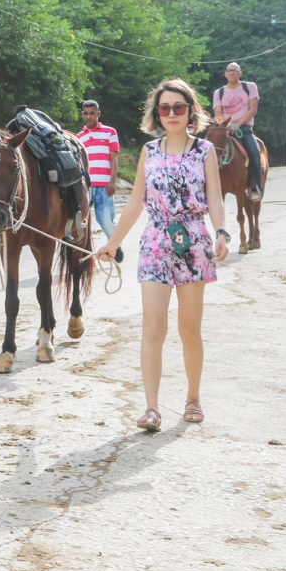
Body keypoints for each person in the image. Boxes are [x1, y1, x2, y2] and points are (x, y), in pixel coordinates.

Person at [95, 77, 230, 433]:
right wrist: (113, 242)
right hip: (155, 241)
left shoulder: (204, 151)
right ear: (157, 113)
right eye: (165, 108)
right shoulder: (149, 151)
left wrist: (221, 232)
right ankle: (151, 408)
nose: (172, 113)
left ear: (190, 111)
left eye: (179, 107)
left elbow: (215, 198)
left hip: (194, 241)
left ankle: (193, 398)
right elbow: (135, 202)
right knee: (153, 326)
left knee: (189, 327)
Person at [75, 99, 123, 264]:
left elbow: (113, 159)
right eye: (86, 113)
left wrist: (112, 182)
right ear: (83, 115)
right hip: (85, 188)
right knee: (82, 223)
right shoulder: (79, 137)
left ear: (98, 114)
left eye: (92, 113)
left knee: (106, 220)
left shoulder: (110, 132)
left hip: (104, 186)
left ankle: (116, 248)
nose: (89, 116)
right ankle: (83, 255)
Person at [212, 61, 264, 197]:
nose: (232, 72)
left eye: (235, 70)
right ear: (225, 74)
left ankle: (255, 186)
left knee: (254, 152)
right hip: (224, 129)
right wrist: (223, 125)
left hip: (243, 128)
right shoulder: (219, 92)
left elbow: (253, 110)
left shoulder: (249, 87)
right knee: (208, 151)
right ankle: (207, 186)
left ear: (240, 73)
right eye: (229, 70)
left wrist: (237, 125)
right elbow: (218, 114)